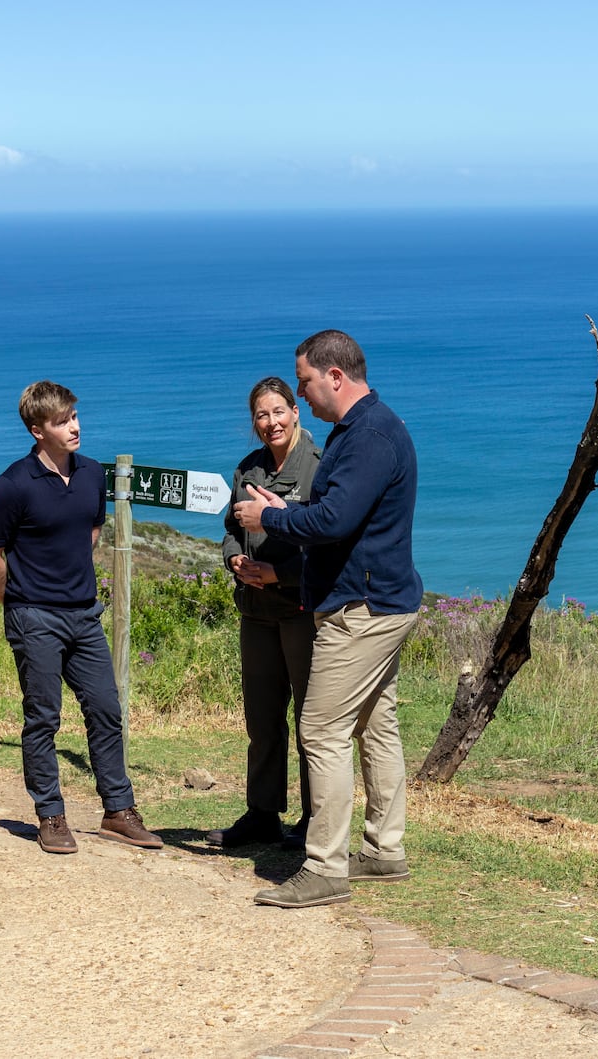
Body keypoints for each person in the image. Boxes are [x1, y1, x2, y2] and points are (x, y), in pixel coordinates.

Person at [235, 330, 422, 909]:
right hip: (379, 599)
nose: (301, 394)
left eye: (305, 382)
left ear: (334, 377)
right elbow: (340, 512)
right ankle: (384, 850)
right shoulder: (365, 429)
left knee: (321, 729)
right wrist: (291, 513)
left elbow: (336, 520)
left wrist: (274, 518)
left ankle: (324, 866)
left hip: (361, 608)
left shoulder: (367, 435)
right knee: (376, 725)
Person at [0, 381, 162, 855]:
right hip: (34, 617)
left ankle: (118, 812)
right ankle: (51, 816)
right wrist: (16, 602)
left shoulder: (93, 474)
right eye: (62, 421)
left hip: (84, 615)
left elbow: (91, 531)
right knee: (44, 718)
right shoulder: (14, 484)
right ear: (38, 431)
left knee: (106, 709)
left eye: (75, 416)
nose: (74, 426)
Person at [209, 376, 320, 849]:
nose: (270, 422)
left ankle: (317, 819)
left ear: (296, 412)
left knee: (312, 722)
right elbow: (232, 526)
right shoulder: (248, 468)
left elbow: (327, 540)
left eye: (278, 411)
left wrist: (281, 573)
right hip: (255, 612)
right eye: (261, 415)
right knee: (262, 718)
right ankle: (262, 814)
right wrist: (234, 558)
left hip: (300, 609)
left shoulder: (317, 467)